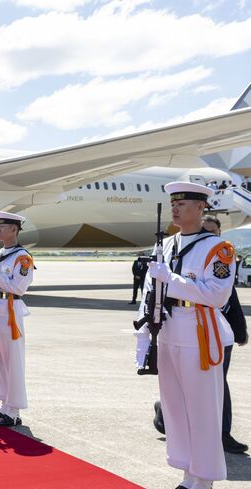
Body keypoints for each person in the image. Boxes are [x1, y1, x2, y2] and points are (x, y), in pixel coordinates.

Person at [135, 182, 235, 489]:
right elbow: (154, 288)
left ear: (201, 208)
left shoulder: (217, 249)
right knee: (175, 407)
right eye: (173, 203)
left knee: (201, 409)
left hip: (199, 333)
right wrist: (144, 323)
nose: (175, 208)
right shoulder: (167, 244)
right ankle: (187, 474)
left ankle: (203, 479)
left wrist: (172, 281)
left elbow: (216, 296)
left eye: (183, 203)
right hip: (168, 331)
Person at [152, 215, 248, 454]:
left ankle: (222, 434)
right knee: (181, 387)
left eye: (212, 232)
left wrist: (240, 330)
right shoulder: (181, 253)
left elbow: (229, 300)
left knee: (215, 391)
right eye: (204, 231)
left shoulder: (219, 256)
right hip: (186, 330)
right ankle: (164, 415)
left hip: (215, 336)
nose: (207, 236)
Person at [0, 211, 33, 427]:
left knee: (13, 361)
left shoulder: (22, 258)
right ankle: (5, 406)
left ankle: (15, 410)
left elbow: (18, 287)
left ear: (14, 229)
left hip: (11, 310)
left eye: (4, 225)